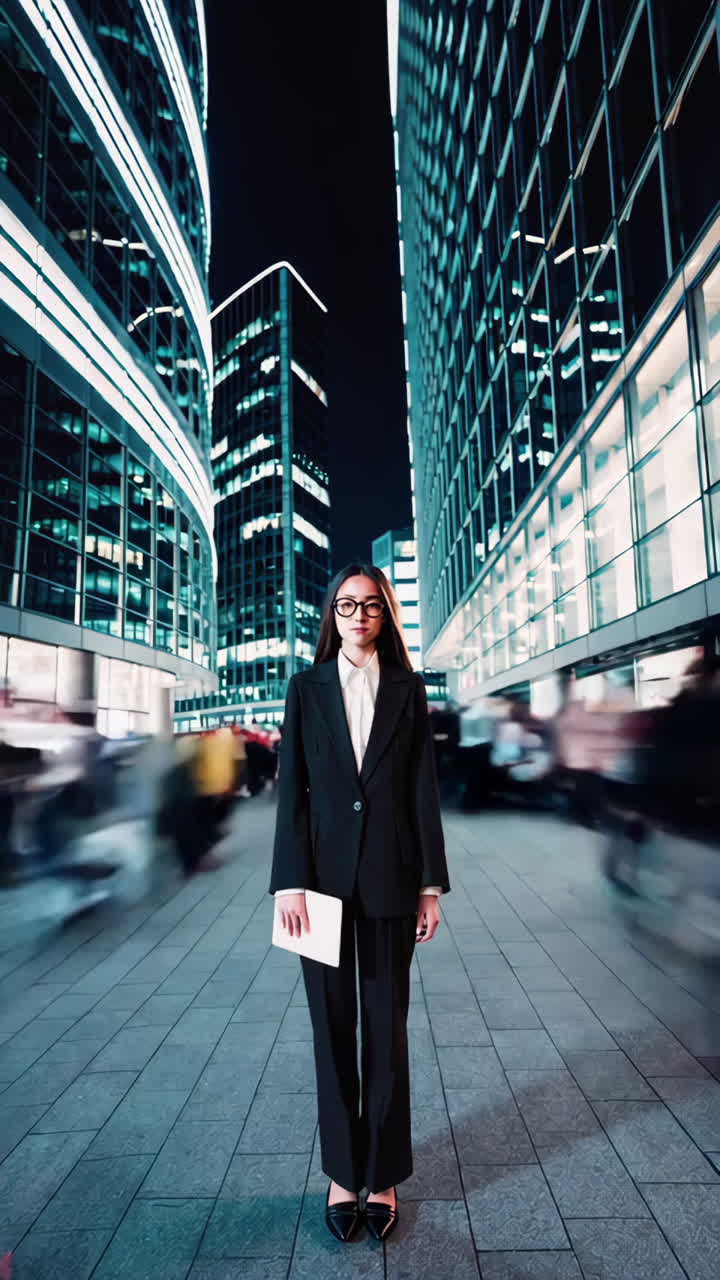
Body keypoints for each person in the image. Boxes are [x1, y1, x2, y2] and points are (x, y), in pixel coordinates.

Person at [269, 563, 450, 1243]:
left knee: (386, 1030)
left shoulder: (407, 689)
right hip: (315, 884)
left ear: (385, 614)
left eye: (371, 605)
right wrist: (287, 882)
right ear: (332, 615)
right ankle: (345, 1174)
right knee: (330, 1028)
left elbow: (420, 791)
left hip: (391, 880)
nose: (358, 615)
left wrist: (429, 886)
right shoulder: (304, 687)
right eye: (347, 605)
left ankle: (386, 1170)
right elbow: (294, 792)